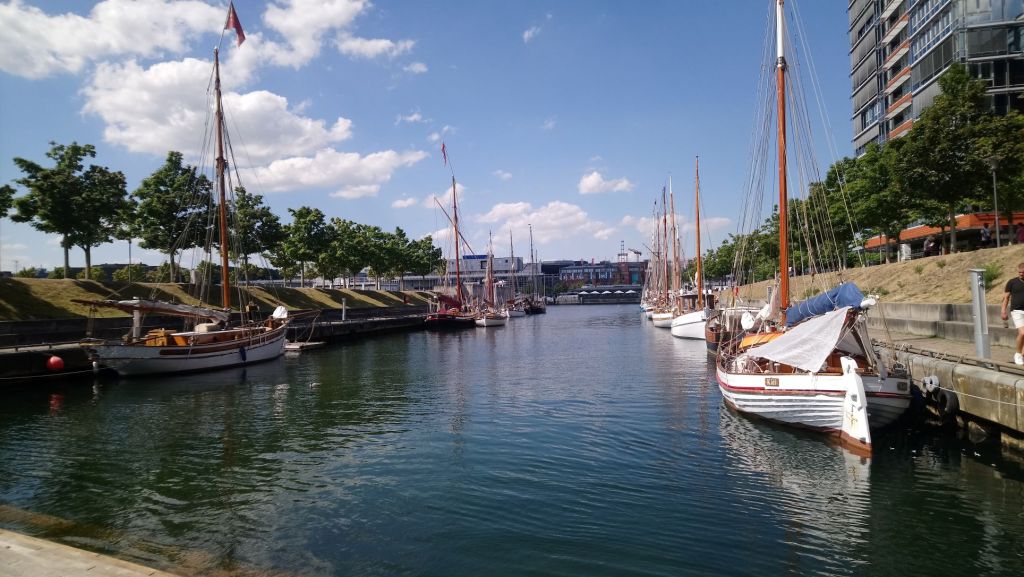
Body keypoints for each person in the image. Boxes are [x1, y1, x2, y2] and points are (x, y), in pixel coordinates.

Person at [1001, 262, 1024, 365]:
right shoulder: (1012, 282)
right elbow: (1006, 297)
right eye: (1020, 272)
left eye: (1023, 272)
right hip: (1017, 311)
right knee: (1022, 333)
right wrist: (1003, 311)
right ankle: (1018, 354)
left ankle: (1022, 355)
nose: (1021, 274)